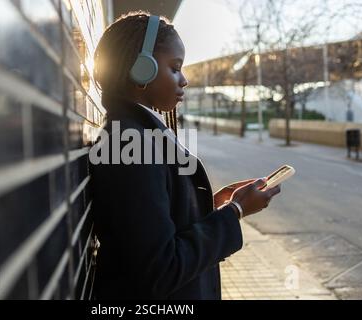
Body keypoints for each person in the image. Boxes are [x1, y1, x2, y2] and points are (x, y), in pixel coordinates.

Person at [90, 11, 281, 300]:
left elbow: (153, 226)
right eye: (175, 67)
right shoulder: (130, 144)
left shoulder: (133, 134)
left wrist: (204, 206)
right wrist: (236, 211)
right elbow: (160, 270)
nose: (185, 80)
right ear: (142, 69)